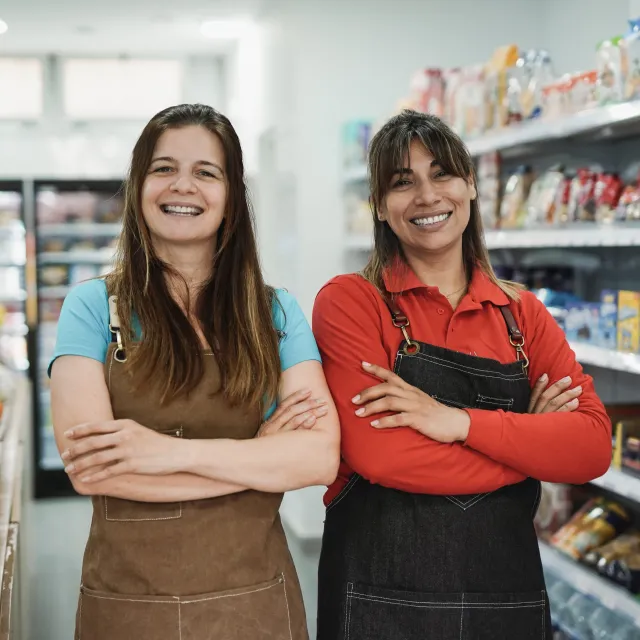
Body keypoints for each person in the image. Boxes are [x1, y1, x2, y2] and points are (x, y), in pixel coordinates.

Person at [312, 110, 611, 640]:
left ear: (470, 185)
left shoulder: (523, 315)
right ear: (380, 206)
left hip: (507, 600)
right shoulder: (353, 303)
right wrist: (525, 449)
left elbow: (589, 449)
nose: (427, 195)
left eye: (443, 173)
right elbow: (383, 453)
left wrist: (456, 423)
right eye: (402, 183)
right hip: (379, 603)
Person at [49, 103, 340, 640]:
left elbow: (318, 457)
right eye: (163, 168)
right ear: (139, 188)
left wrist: (166, 452)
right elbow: (92, 469)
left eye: (206, 172)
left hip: (255, 604)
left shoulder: (275, 315)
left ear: (231, 198)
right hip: (130, 605)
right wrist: (258, 454)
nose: (182, 186)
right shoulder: (92, 307)